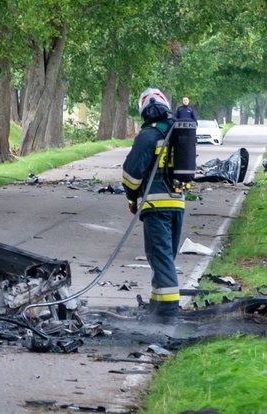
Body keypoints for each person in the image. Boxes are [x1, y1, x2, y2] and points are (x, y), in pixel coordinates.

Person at [121, 88, 184, 322]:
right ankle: (157, 309)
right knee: (166, 257)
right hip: (177, 203)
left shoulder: (148, 135)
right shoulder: (178, 133)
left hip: (155, 205)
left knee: (161, 258)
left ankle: (167, 317)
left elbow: (131, 174)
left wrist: (131, 197)